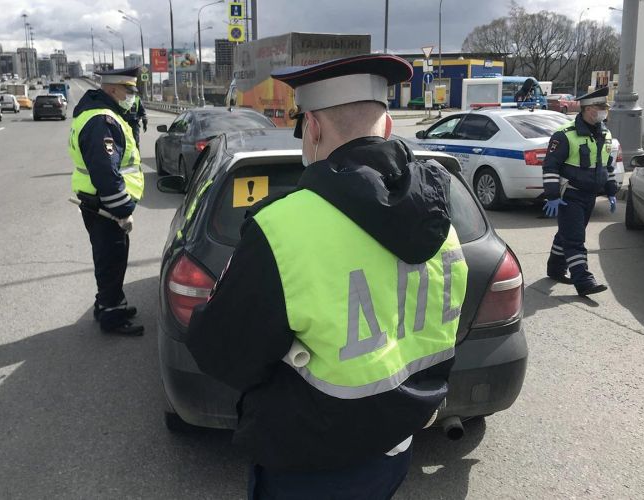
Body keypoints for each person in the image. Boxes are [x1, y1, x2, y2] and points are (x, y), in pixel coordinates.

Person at [185, 54, 469, 499]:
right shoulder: (442, 220)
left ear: (313, 128)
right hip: (397, 449)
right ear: (387, 126)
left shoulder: (282, 229)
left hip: (312, 465)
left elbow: (223, 354)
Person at [69, 66, 145, 335]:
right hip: (106, 206)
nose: (132, 96)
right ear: (112, 89)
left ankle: (108, 304)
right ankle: (112, 317)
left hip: (100, 203)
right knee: (111, 260)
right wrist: (122, 210)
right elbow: (105, 172)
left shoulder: (102, 113)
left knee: (109, 257)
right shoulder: (103, 120)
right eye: (128, 90)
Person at [542, 86, 617, 297]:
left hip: (589, 196)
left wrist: (611, 190)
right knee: (575, 239)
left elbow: (607, 166)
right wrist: (552, 195)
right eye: (600, 107)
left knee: (566, 234)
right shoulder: (565, 135)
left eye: (605, 107)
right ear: (587, 109)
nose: (604, 111)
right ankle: (584, 281)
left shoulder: (605, 133)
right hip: (570, 195)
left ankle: (555, 269)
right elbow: (550, 166)